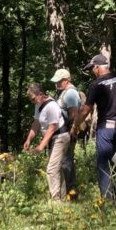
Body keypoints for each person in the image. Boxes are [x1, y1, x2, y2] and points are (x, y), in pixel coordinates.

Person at [72, 53, 116, 202]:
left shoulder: (95, 85)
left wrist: (75, 125)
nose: (92, 71)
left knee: (103, 163)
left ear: (98, 67)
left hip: (105, 128)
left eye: (92, 68)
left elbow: (86, 110)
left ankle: (107, 199)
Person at [21, 83, 72, 200]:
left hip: (60, 138)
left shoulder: (52, 106)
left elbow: (52, 128)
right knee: (56, 168)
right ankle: (63, 198)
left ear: (40, 94)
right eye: (31, 100)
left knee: (51, 169)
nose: (33, 102)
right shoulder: (38, 105)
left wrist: (40, 147)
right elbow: (36, 123)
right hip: (53, 139)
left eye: (33, 99)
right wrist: (29, 139)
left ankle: (56, 201)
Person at [51, 68, 82, 199]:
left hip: (68, 133)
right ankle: (68, 191)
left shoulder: (70, 94)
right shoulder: (64, 93)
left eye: (59, 81)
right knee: (65, 161)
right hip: (64, 133)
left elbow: (74, 115)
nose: (56, 84)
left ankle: (72, 191)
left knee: (66, 162)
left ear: (66, 80)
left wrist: (71, 133)